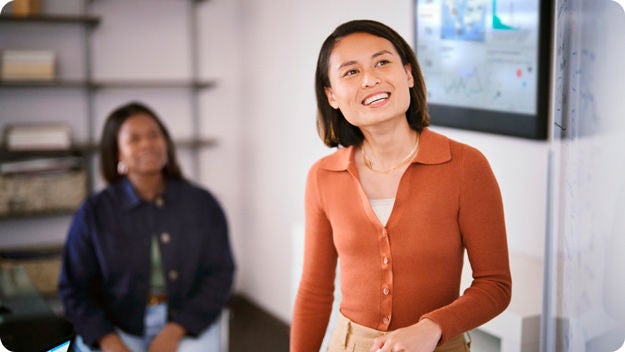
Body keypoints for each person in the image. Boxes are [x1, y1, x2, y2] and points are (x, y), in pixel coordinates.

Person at [290, 20, 511, 352]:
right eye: (351, 72)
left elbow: (495, 286)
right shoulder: (323, 176)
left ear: (408, 74)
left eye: (382, 62)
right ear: (331, 95)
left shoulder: (466, 166)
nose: (370, 78)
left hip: (439, 346)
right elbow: (314, 292)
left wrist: (432, 327)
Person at [58, 101, 235, 352]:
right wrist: (108, 340)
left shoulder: (202, 204)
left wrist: (175, 331)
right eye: (134, 139)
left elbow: (220, 275)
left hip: (188, 324)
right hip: (117, 327)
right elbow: (74, 289)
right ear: (117, 153)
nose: (147, 144)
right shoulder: (94, 212)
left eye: (154, 134)